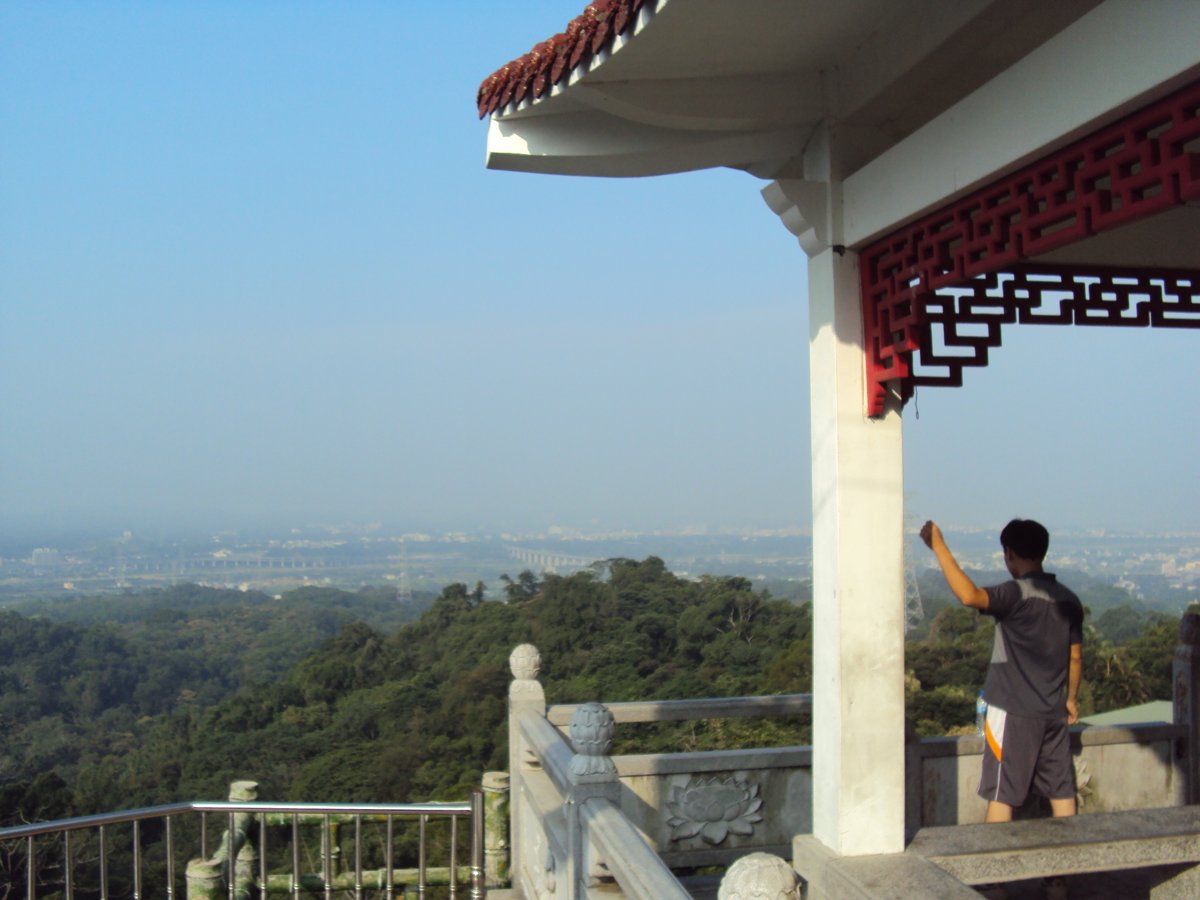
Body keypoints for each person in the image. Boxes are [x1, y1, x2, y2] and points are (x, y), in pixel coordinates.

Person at [920, 518, 1083, 824]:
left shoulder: (1016, 594)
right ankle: (1066, 870)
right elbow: (1075, 657)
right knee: (1061, 791)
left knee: (1001, 793)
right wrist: (1070, 700)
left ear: (1009, 553)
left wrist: (938, 547)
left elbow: (969, 596)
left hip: (1012, 710)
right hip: (1053, 711)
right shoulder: (1069, 600)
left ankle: (996, 867)